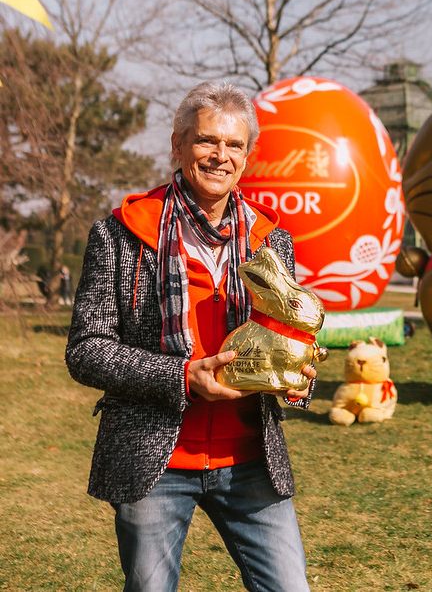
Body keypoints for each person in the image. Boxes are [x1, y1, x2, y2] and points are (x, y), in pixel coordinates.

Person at [66, 81, 316, 591]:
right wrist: (182, 377)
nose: (219, 156)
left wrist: (295, 375)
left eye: (234, 145)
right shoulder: (120, 232)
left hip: (250, 460)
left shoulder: (273, 239)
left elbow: (283, 331)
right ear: (178, 145)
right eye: (206, 141)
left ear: (246, 156)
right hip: (154, 462)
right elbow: (86, 349)